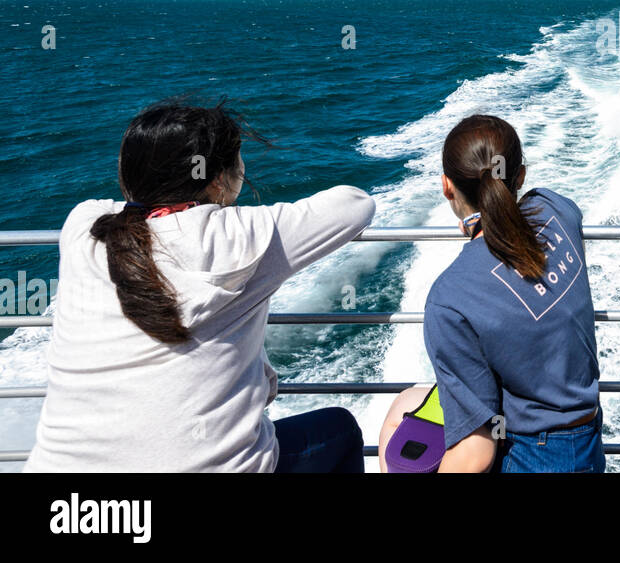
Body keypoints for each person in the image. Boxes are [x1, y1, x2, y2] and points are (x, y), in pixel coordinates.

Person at [25, 101, 376, 473]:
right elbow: (354, 205)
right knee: (339, 430)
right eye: (238, 161)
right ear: (219, 179)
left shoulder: (84, 226)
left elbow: (134, 211)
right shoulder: (244, 237)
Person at [378, 114, 603, 473]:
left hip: (531, 455)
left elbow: (476, 454)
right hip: (587, 440)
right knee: (408, 401)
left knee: (399, 433)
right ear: (521, 177)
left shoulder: (450, 296)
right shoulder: (558, 210)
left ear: (446, 187)